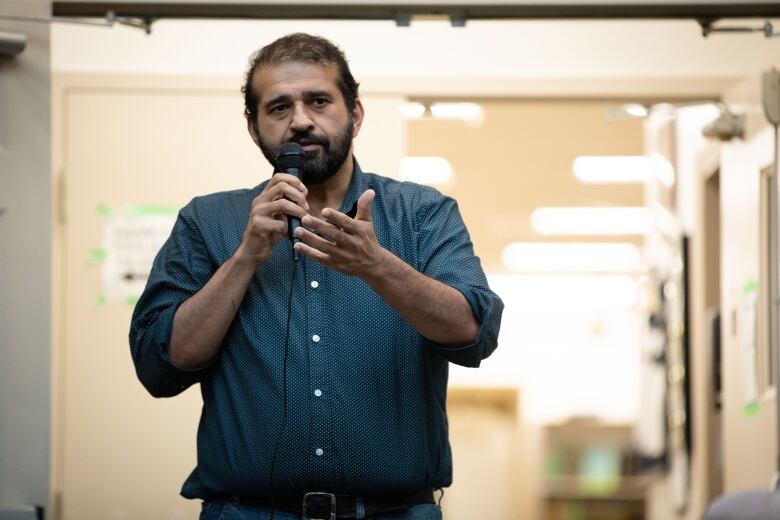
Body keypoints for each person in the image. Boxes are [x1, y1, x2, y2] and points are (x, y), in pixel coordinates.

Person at [129, 33, 503, 520]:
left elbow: (475, 334)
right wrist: (245, 258)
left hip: (393, 512)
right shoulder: (208, 223)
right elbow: (161, 365)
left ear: (356, 113)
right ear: (254, 126)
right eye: (279, 107)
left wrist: (377, 265)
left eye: (319, 101)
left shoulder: (422, 213)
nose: (301, 121)